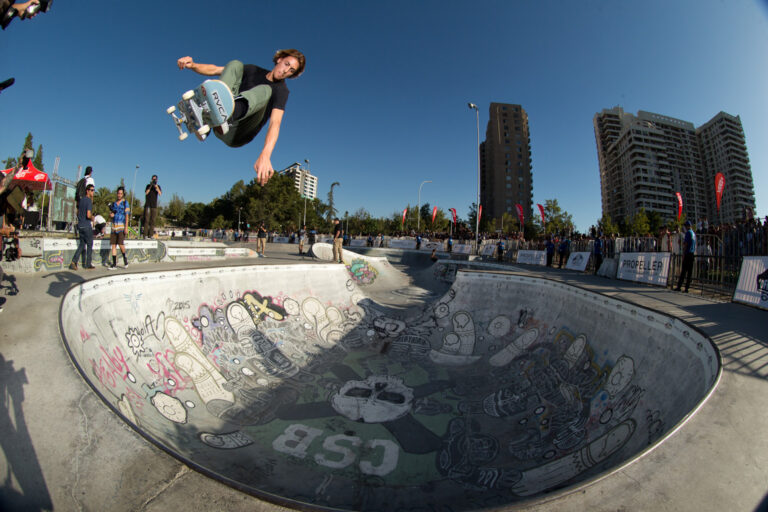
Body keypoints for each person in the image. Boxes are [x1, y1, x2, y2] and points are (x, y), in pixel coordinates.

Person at [176, 49, 306, 186]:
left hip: (238, 132)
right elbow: (215, 69)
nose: (286, 71)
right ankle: (210, 116)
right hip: (220, 124)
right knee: (235, 64)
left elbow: (275, 123)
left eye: (291, 70)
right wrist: (193, 65)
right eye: (286, 64)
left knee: (266, 90)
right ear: (279, 59)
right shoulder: (252, 70)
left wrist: (266, 154)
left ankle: (223, 116)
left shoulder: (281, 90)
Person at [69, 184, 95, 270]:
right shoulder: (88, 201)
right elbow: (88, 215)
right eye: (91, 190)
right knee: (90, 244)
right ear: (87, 191)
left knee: (82, 244)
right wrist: (92, 217)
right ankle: (88, 264)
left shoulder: (81, 200)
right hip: (86, 226)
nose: (93, 192)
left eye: (93, 190)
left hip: (80, 225)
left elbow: (77, 212)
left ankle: (74, 262)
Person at [108, 186, 130, 270]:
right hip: (114, 227)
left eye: (121, 193)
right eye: (118, 193)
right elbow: (111, 215)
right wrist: (111, 215)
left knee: (121, 244)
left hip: (121, 227)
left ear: (123, 194)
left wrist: (126, 227)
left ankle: (125, 259)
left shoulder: (125, 203)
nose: (119, 195)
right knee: (113, 245)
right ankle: (114, 264)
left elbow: (127, 215)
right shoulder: (114, 204)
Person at [675, 220, 697, 293]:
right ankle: (687, 288)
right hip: (692, 253)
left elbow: (686, 244)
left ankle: (679, 286)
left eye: (685, 226)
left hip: (688, 253)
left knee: (684, 271)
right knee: (689, 272)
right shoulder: (693, 233)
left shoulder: (688, 233)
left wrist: (684, 253)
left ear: (687, 226)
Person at [144, 174, 162, 239]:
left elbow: (160, 193)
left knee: (153, 220)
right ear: (151, 179)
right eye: (153, 179)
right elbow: (146, 193)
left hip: (154, 206)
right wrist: (151, 186)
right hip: (148, 205)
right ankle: (145, 235)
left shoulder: (158, 186)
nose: (154, 180)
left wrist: (156, 187)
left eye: (155, 179)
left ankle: (151, 235)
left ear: (157, 180)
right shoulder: (148, 186)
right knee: (147, 220)